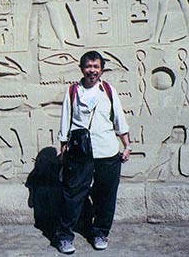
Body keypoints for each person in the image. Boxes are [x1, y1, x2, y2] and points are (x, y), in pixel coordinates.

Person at [55, 51, 131, 254]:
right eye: (88, 66)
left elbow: (119, 119)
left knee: (105, 196)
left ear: (101, 69)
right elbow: (65, 120)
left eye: (96, 67)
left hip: (107, 151)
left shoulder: (108, 90)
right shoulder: (72, 91)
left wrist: (126, 145)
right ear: (82, 69)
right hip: (81, 153)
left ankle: (100, 233)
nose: (92, 70)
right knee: (72, 196)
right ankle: (64, 236)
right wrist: (63, 148)